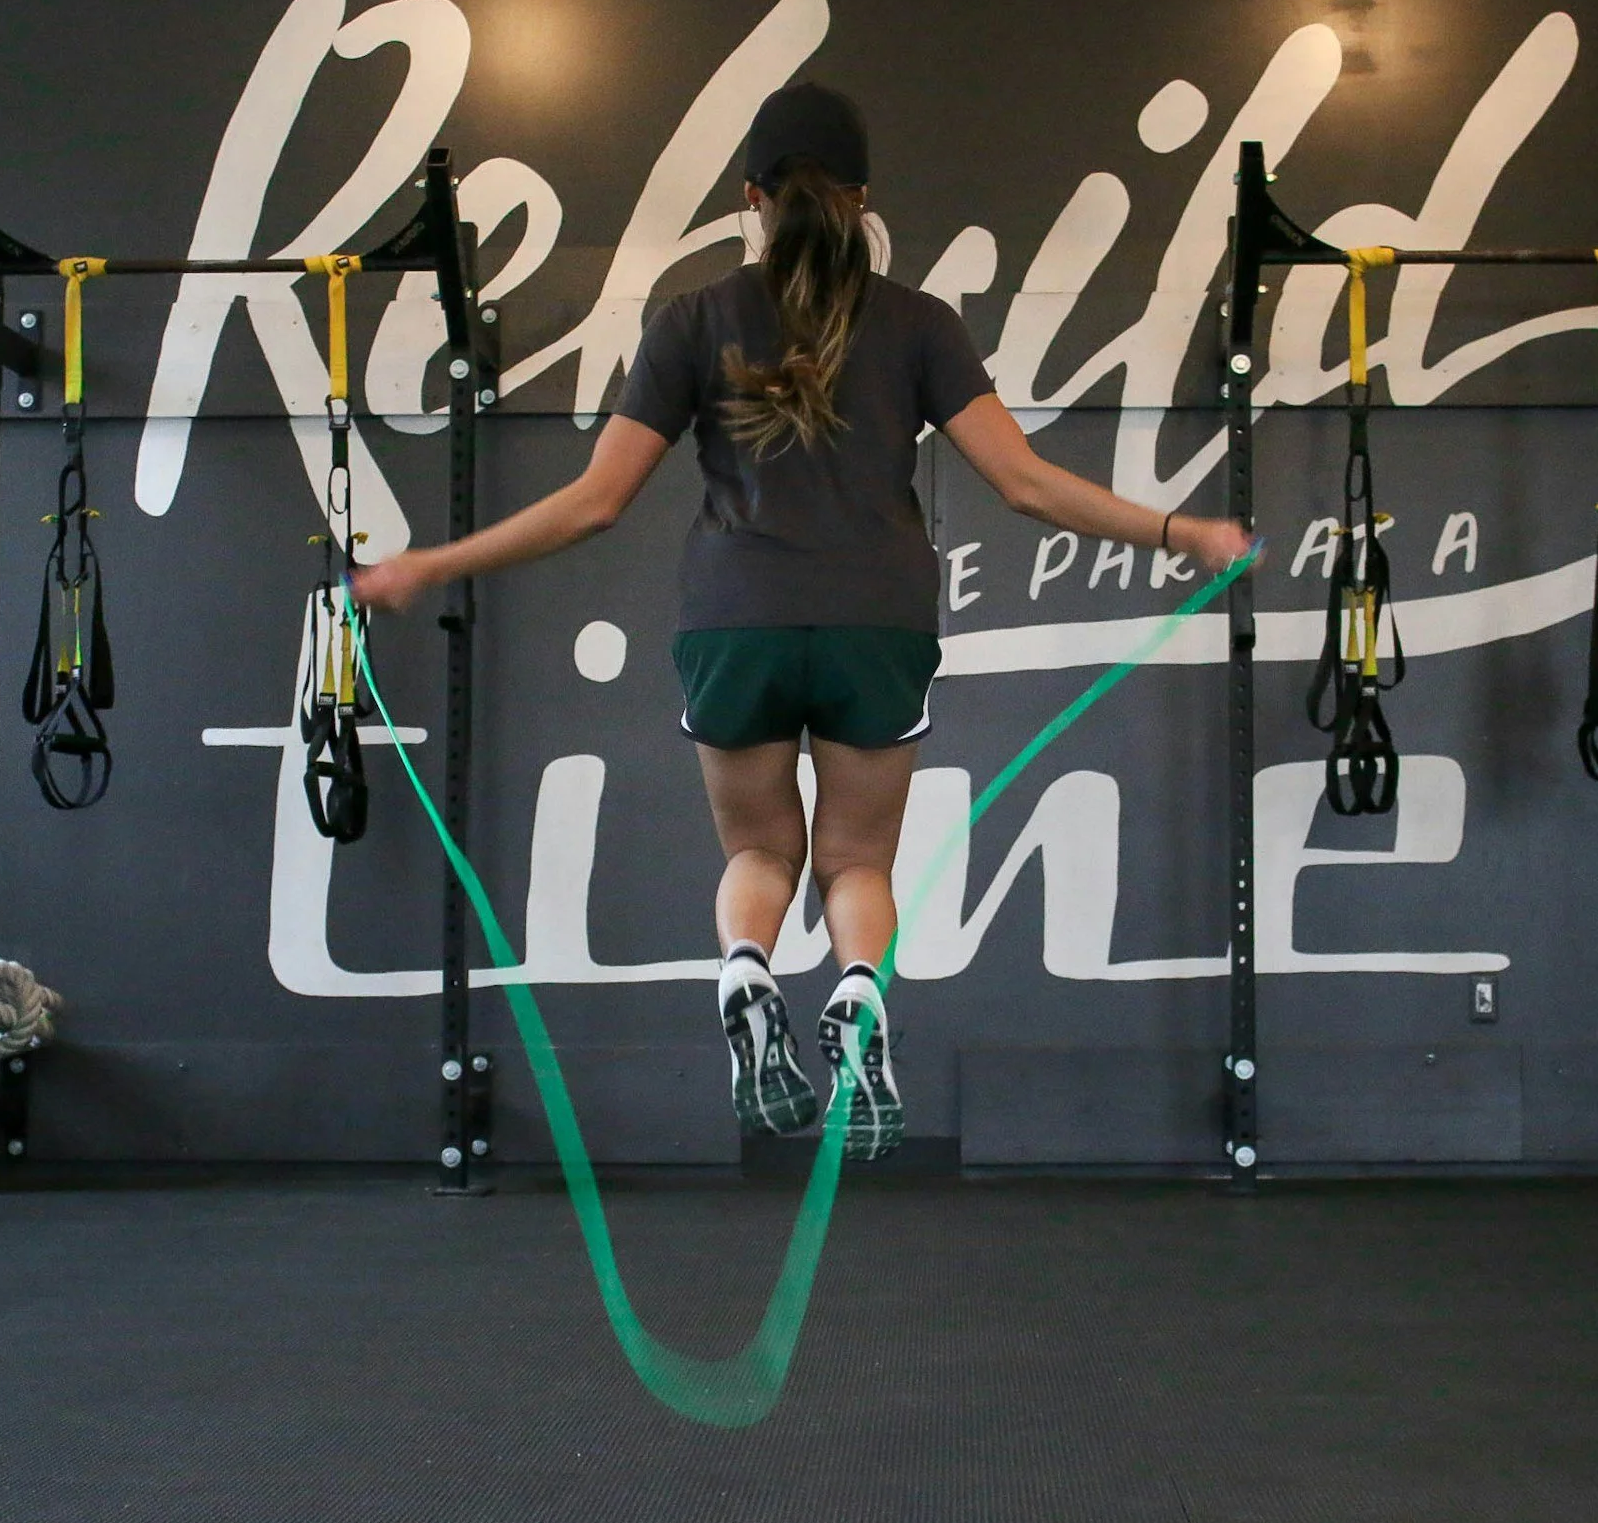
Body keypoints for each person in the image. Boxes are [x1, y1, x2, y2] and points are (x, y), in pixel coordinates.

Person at [350, 84, 1256, 1158]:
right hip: (879, 622)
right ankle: (857, 996)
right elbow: (1022, 484)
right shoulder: (919, 323)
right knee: (857, 862)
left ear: (750, 198)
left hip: (736, 623)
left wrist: (431, 562)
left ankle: (745, 973)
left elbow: (594, 504)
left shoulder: (693, 320)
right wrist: (1178, 531)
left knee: (758, 850)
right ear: (863, 200)